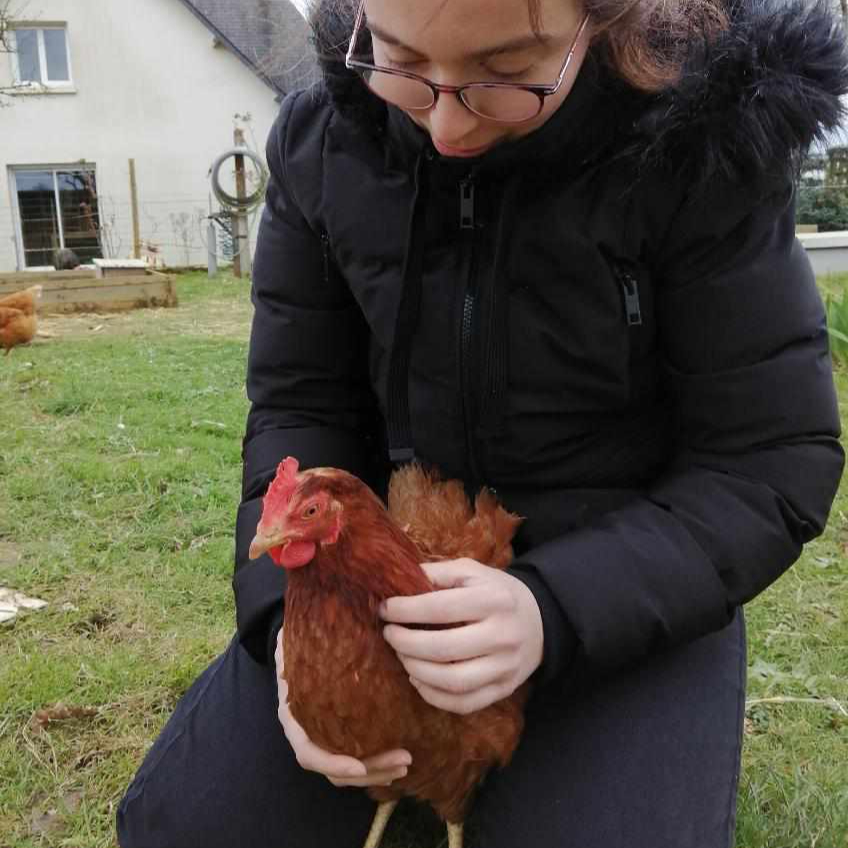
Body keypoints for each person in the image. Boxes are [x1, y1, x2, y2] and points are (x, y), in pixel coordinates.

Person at [117, 0, 848, 845]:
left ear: (605, 25)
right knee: (188, 827)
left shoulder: (703, 145)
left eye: (503, 75)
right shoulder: (328, 142)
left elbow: (767, 459)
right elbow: (301, 405)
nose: (447, 128)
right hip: (385, 566)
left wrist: (556, 608)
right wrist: (295, 629)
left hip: (627, 578)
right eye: (401, 61)